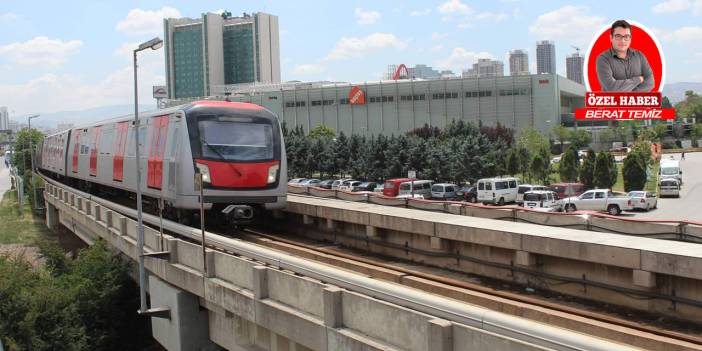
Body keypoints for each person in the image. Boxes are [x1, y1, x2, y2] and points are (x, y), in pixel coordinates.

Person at [596, 20, 655, 92]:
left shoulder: (639, 56)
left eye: (626, 36)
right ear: (611, 38)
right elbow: (611, 88)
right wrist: (638, 79)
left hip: (638, 103)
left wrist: (628, 95)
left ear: (630, 38)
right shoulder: (603, 59)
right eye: (618, 36)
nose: (623, 41)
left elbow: (650, 82)